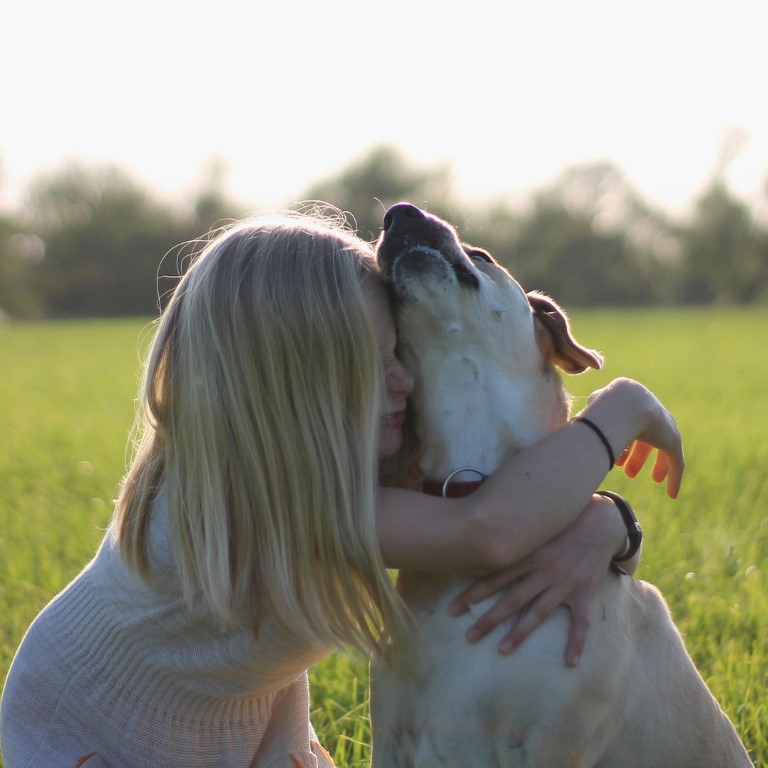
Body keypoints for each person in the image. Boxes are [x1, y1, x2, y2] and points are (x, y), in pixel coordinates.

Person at [0, 207, 684, 768]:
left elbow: (509, 502)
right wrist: (622, 408)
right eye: (378, 360)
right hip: (94, 721)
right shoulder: (265, 501)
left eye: (402, 352)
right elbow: (488, 530)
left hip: (231, 721)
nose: (404, 381)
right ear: (296, 385)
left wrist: (607, 521)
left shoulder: (326, 462)